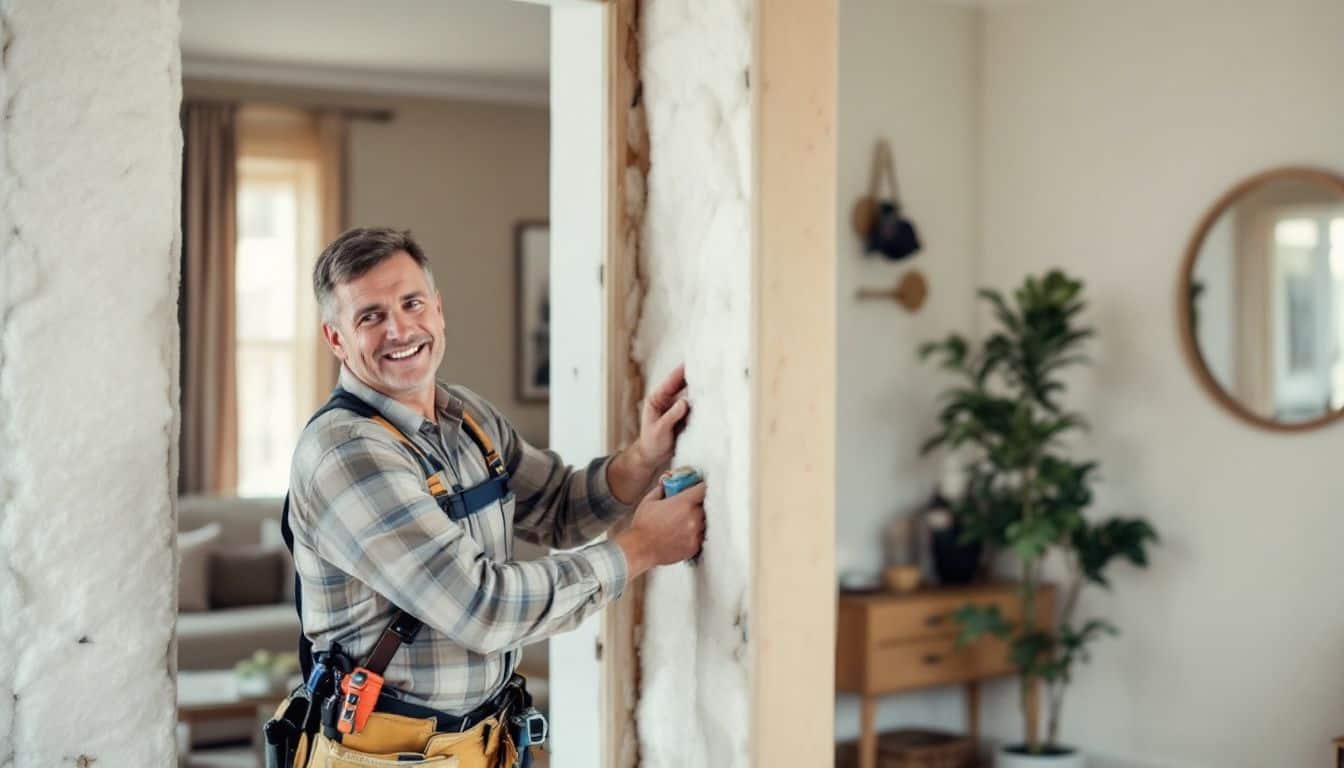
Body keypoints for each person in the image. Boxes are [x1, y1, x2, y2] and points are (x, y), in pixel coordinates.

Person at [285, 226, 705, 766]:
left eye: (412, 303)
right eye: (370, 316)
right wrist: (642, 547)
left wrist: (644, 456)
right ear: (337, 339)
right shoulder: (345, 454)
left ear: (438, 309)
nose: (399, 328)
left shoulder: (469, 418)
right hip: (387, 756)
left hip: (482, 744)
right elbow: (483, 608)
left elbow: (559, 507)